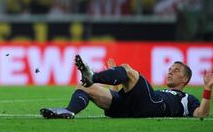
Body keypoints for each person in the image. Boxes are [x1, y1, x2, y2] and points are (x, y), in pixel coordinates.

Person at [40, 55, 213, 119]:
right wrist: (115, 80)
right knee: (85, 87)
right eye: (169, 69)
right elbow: (121, 96)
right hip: (129, 109)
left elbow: (201, 114)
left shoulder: (187, 98)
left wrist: (207, 89)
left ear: (185, 79)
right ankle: (69, 111)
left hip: (155, 107)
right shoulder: (160, 90)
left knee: (128, 70)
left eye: (176, 71)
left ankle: (94, 76)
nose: (170, 72)